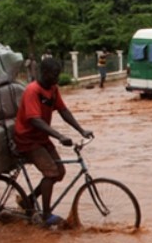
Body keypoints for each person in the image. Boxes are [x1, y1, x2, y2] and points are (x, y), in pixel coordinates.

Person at [13, 57, 93, 227]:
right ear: (45, 73)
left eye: (58, 75)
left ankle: (29, 200)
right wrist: (59, 136)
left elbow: (63, 111)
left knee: (60, 172)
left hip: (41, 138)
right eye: (55, 75)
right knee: (51, 173)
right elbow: (35, 120)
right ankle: (46, 215)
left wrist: (81, 130)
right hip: (27, 139)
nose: (57, 78)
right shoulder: (32, 91)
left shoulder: (53, 90)